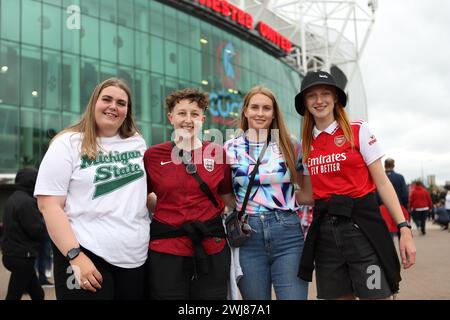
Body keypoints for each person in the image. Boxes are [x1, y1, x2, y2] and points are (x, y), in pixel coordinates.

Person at [294, 70, 416, 300]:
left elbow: (382, 182)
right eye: (312, 95)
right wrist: (269, 193)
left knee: (377, 295)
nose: (319, 101)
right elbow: (309, 195)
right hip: (326, 237)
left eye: (325, 93)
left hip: (362, 231)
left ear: (336, 98)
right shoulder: (306, 144)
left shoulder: (358, 130)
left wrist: (404, 227)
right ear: (304, 102)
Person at [34, 78, 150, 300]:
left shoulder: (137, 142)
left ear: (127, 111)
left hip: (135, 258)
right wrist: (75, 256)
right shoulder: (67, 143)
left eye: (121, 103)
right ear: (93, 103)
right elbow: (49, 206)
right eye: (106, 99)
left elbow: (142, 195)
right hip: (85, 254)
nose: (113, 106)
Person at [143, 88, 234, 300]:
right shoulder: (153, 156)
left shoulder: (218, 154)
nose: (188, 119)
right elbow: (143, 196)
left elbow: (227, 197)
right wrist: (168, 211)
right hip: (166, 252)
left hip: (211, 249)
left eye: (194, 114)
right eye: (182, 113)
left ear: (202, 118)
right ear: (171, 117)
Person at [224, 86, 310, 300]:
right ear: (245, 111)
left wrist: (285, 203)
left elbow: (308, 193)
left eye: (266, 108)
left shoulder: (291, 145)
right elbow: (225, 193)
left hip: (288, 234)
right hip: (247, 237)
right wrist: (244, 208)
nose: (260, 113)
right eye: (254, 107)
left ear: (274, 113)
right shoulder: (229, 148)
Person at [1, 168, 46, 300]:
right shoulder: (27, 202)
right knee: (13, 296)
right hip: (22, 257)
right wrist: (44, 221)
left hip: (12, 254)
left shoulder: (13, 199)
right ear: (32, 181)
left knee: (38, 294)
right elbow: (36, 230)